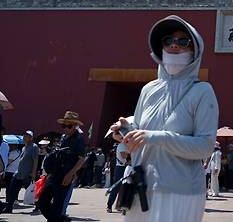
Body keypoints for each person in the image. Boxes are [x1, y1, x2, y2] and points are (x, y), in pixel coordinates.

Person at [109, 15, 219, 222]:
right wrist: (126, 131)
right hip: (141, 186)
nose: (174, 46)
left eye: (183, 41)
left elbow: (205, 146)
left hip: (180, 192)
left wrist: (157, 137)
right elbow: (141, 132)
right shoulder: (149, 89)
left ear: (195, 50)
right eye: (168, 41)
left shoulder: (203, 91)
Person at [37, 111, 86, 222]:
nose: (65, 128)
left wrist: (70, 174)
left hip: (65, 176)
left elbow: (82, 159)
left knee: (57, 206)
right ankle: (61, 220)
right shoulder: (63, 137)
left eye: (69, 126)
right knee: (42, 202)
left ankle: (57, 219)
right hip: (54, 174)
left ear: (75, 126)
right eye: (63, 125)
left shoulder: (78, 140)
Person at [0, 130, 39, 216]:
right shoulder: (24, 148)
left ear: (31, 138)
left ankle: (39, 206)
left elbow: (35, 160)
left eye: (28, 136)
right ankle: (9, 208)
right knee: (12, 190)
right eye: (25, 135)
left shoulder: (34, 147)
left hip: (27, 174)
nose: (26, 137)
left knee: (32, 192)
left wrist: (33, 173)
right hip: (19, 173)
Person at [106, 142, 130, 213]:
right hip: (120, 168)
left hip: (126, 167)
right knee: (116, 187)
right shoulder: (122, 145)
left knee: (125, 187)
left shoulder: (127, 145)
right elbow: (124, 156)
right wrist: (130, 152)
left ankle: (120, 206)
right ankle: (109, 206)